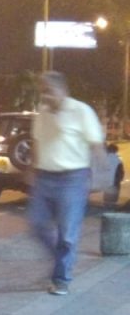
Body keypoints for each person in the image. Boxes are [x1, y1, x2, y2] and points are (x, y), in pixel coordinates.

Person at [28, 71, 106, 296]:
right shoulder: (42, 113)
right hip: (44, 177)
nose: (44, 96)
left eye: (48, 91)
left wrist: (101, 175)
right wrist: (31, 169)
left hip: (72, 179)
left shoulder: (81, 111)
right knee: (37, 224)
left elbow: (96, 144)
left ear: (62, 90)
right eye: (42, 91)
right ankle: (61, 259)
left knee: (67, 234)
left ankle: (61, 279)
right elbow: (37, 142)